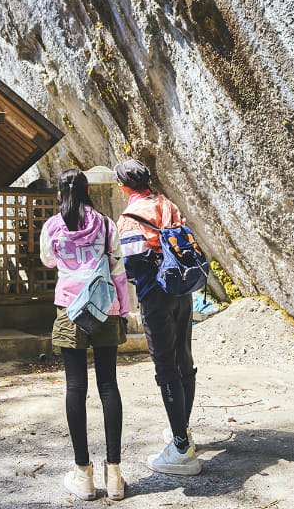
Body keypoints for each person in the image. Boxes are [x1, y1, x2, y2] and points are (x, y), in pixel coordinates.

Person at [40, 169, 131, 500]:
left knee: (75, 387)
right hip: (104, 306)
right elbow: (118, 269)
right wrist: (123, 309)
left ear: (60, 194)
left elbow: (48, 261)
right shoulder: (106, 224)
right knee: (108, 385)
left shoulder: (52, 226)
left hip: (69, 309)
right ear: (88, 190)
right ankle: (116, 476)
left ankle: (83, 475)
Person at [115, 158, 202, 475]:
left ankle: (181, 449)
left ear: (123, 186)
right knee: (184, 361)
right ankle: (184, 432)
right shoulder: (168, 204)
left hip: (156, 298)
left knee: (165, 368)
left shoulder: (130, 218)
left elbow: (134, 265)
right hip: (183, 291)